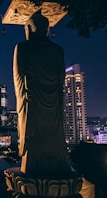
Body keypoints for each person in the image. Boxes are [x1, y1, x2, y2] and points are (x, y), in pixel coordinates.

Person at [13, 11, 71, 175]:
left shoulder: (23, 47)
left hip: (32, 105)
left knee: (32, 137)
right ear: (46, 30)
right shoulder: (58, 50)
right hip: (53, 107)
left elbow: (19, 79)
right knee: (54, 132)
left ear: (30, 29)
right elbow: (61, 81)